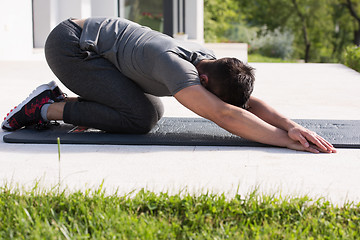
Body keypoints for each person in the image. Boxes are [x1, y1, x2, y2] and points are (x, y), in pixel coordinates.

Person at [1, 17, 336, 153]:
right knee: (141, 118)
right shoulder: (178, 69)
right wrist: (286, 143)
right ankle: (44, 107)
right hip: (69, 46)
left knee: (151, 110)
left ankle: (74, 101)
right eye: (208, 92)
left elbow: (241, 105)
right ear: (202, 81)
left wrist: (290, 126)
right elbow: (225, 116)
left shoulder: (210, 62)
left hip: (96, 47)